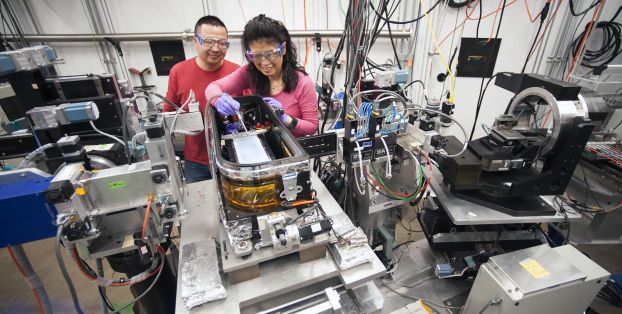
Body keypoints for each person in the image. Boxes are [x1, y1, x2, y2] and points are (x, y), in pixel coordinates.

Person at [205, 14, 318, 137]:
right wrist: (218, 100)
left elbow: (312, 126)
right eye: (256, 55)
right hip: (263, 143)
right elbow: (212, 88)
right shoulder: (249, 73)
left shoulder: (302, 82)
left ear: (283, 49)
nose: (264, 62)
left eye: (270, 54)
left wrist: (284, 118)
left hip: (293, 151)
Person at [164, 16, 239, 183]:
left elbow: (247, 110)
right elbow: (168, 114)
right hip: (196, 161)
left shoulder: (237, 72)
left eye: (222, 43)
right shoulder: (178, 71)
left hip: (233, 157)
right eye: (209, 41)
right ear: (195, 41)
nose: (216, 48)